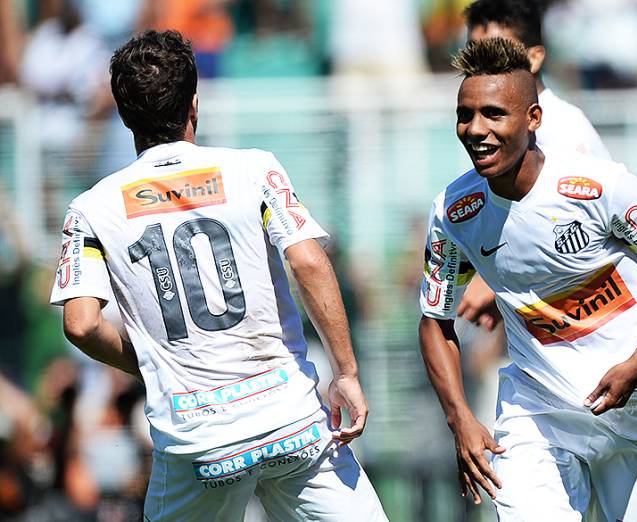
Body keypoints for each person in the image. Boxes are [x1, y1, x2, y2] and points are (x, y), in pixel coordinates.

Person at [49, 30, 386, 521]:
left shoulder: (91, 209)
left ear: (124, 117)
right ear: (194, 106)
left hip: (199, 442)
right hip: (290, 421)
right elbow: (308, 261)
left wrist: (151, 364)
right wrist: (347, 374)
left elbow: (80, 324)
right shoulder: (255, 170)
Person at [418, 37, 637, 521]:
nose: (475, 129)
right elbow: (434, 319)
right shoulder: (454, 211)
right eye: (465, 115)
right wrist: (460, 417)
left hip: (633, 409)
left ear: (533, 119)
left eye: (493, 114)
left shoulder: (599, 186)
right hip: (537, 414)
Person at [458, 0, 613, 327]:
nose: (484, 64)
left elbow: (586, 226)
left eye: (499, 50)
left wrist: (492, 277)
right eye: (475, 50)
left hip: (591, 322)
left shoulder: (565, 128)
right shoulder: (482, 124)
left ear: (535, 57)